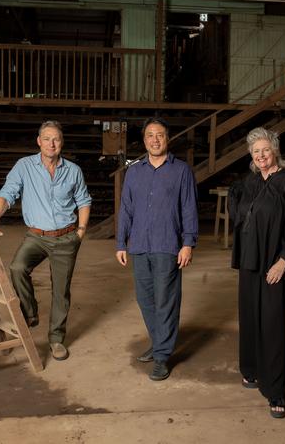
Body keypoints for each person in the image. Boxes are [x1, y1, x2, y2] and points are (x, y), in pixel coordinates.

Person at [0, 120, 92, 361]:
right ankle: (30, 313)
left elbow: (84, 201)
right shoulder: (24, 166)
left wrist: (80, 231)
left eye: (56, 139)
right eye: (47, 138)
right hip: (36, 235)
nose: (51, 143)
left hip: (66, 236)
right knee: (17, 268)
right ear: (39, 141)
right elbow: (6, 194)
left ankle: (56, 339)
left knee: (61, 291)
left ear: (62, 142)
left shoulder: (73, 170)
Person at [229, 126, 285, 419]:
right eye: (256, 151)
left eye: (266, 149)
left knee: (275, 325)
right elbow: (240, 213)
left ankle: (276, 390)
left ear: (275, 150)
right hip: (251, 264)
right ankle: (251, 370)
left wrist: (284, 259)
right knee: (251, 317)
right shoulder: (250, 182)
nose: (261, 155)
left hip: (276, 264)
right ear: (251, 156)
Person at [115, 118, 199, 381]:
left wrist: (188, 243)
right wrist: (121, 242)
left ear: (167, 138)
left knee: (166, 301)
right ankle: (159, 340)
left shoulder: (181, 171)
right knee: (145, 299)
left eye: (160, 135)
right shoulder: (134, 172)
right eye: (150, 135)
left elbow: (188, 207)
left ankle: (162, 356)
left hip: (167, 245)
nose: (155, 140)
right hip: (139, 244)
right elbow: (126, 209)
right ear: (144, 141)